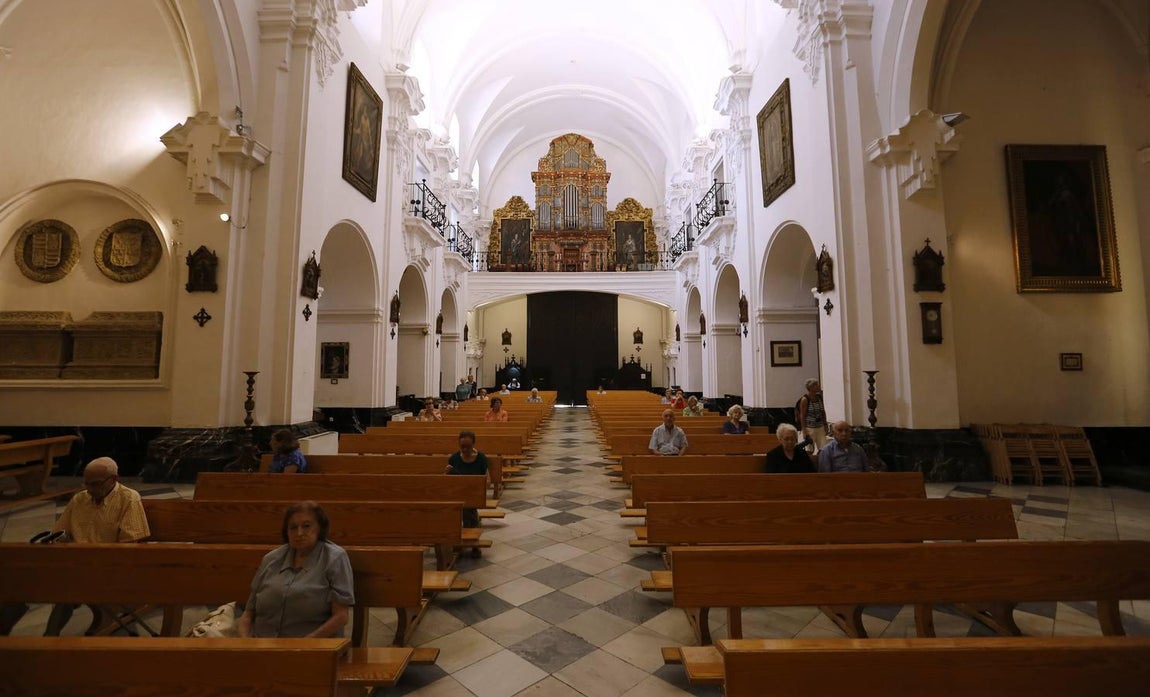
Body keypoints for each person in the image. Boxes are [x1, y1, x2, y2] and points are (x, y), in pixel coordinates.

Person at [7, 457, 152, 636]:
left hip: (106, 566)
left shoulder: (129, 499)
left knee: (68, 588)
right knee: (19, 582)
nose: (89, 489)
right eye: (86, 483)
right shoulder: (79, 499)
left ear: (114, 479)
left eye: (95, 484)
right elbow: (59, 532)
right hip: (73, 562)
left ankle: (49, 639)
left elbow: (129, 546)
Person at [238, 501, 354, 638]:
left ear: (320, 528)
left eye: (306, 526)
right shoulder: (271, 559)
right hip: (262, 644)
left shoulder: (334, 558)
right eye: (293, 527)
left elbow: (341, 616)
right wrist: (245, 643)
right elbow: (248, 614)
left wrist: (305, 644)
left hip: (313, 644)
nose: (299, 533)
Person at [445, 431, 488, 557]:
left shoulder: (481, 458)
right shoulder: (454, 458)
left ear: (473, 444)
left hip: (474, 493)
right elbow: (447, 481)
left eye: (467, 447)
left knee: (468, 507)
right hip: (456, 493)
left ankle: (466, 542)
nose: (464, 449)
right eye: (462, 446)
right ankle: (470, 541)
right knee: (462, 507)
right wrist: (447, 473)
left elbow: (487, 481)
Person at [797, 378, 828, 453]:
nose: (819, 386)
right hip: (810, 428)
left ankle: (819, 459)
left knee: (823, 449)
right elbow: (802, 415)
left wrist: (825, 424)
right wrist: (804, 430)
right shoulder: (805, 399)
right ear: (811, 388)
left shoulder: (819, 397)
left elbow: (823, 411)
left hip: (820, 427)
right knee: (810, 450)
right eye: (816, 385)